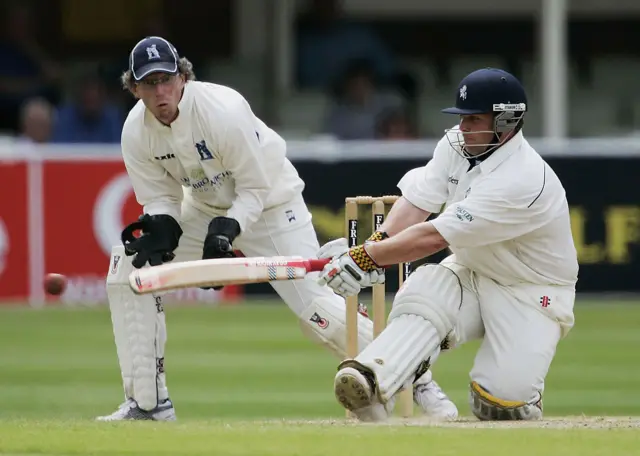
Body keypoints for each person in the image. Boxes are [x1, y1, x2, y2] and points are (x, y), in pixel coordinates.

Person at [97, 36, 456, 421]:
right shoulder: (135, 131)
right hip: (205, 209)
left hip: (271, 205)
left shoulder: (222, 109)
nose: (160, 91)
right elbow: (162, 198)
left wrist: (226, 233)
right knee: (128, 268)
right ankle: (149, 404)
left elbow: (254, 187)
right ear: (133, 88)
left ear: (183, 77)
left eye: (167, 79)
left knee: (317, 313)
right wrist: (164, 227)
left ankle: (416, 375)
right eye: (149, 84)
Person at [317, 68, 579, 421]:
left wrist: (367, 258)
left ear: (506, 121)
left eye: (474, 119)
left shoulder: (523, 180)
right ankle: (373, 377)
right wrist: (377, 243)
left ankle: (520, 395)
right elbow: (417, 202)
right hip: (473, 269)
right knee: (425, 291)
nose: (464, 128)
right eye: (462, 118)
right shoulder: (457, 145)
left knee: (499, 406)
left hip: (532, 292)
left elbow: (433, 236)